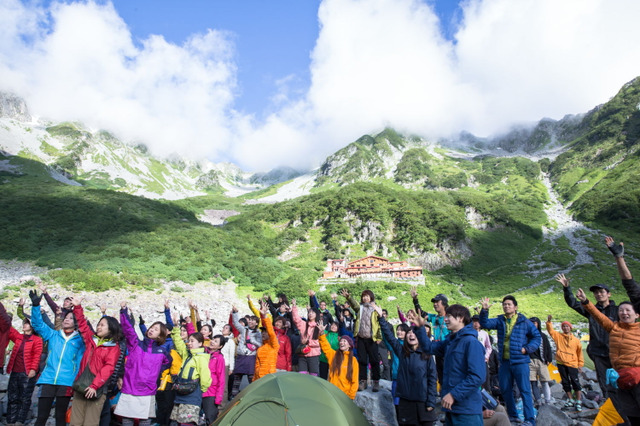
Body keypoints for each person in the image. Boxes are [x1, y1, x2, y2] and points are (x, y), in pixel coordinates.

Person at [411, 304, 485, 425]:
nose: (445, 319)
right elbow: (429, 348)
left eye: (449, 316)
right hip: (451, 408)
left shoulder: (471, 343)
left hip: (467, 410)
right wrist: (419, 328)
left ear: (460, 318)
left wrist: (454, 395)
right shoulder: (450, 341)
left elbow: (477, 377)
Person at [576, 287, 640, 425]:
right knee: (629, 411)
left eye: (628, 310)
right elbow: (598, 316)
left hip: (637, 375)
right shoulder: (613, 327)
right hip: (620, 376)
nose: (624, 313)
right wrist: (586, 301)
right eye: (621, 310)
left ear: (637, 315)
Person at [479, 295, 541, 426]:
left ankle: (530, 420)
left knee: (525, 390)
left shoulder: (524, 322)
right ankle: (513, 416)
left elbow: (536, 337)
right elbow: (484, 324)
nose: (506, 306)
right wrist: (484, 311)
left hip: (521, 361)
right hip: (505, 362)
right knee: (506, 389)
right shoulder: (500, 320)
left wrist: (527, 349)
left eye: (509, 304)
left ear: (515, 307)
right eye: (504, 304)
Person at [29, 290, 86, 426]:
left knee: (60, 417)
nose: (66, 320)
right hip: (49, 378)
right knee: (41, 416)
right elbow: (38, 325)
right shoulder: (54, 335)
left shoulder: (79, 341)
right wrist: (35, 306)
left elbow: (79, 361)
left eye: (71, 318)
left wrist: (76, 379)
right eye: (66, 318)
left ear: (76, 322)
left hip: (66, 381)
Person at [558, 272, 618, 399]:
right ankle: (609, 405)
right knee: (604, 381)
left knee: (620, 379)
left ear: (609, 294)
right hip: (598, 352)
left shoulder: (617, 310)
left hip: (616, 352)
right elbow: (573, 303)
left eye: (601, 292)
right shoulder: (591, 310)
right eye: (596, 293)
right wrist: (567, 288)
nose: (599, 294)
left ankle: (626, 408)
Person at [375, 305, 438, 426]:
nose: (411, 334)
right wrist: (381, 318)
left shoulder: (426, 354)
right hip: (406, 402)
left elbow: (432, 378)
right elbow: (389, 336)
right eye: (409, 332)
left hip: (423, 402)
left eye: (414, 332)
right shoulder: (402, 352)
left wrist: (431, 401)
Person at [115, 302, 171, 426]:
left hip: (148, 389)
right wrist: (124, 311)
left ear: (160, 335)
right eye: (152, 327)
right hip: (130, 386)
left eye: (156, 329)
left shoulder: (162, 351)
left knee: (145, 420)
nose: (151, 330)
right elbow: (128, 330)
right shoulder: (136, 344)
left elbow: (168, 363)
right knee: (127, 419)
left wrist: (156, 373)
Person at [69, 297, 123, 426]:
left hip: (97, 389)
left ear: (111, 329)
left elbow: (108, 368)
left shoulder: (114, 348)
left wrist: (94, 386)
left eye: (102, 325)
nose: (98, 327)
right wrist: (77, 307)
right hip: (82, 384)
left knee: (90, 422)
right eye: (98, 324)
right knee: (75, 421)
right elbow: (82, 325)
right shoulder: (91, 340)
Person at [0, 300, 43, 426]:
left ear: (32, 326)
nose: (24, 325)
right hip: (15, 371)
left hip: (27, 372)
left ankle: (20, 420)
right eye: (24, 323)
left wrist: (33, 369)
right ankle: (10, 420)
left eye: (26, 323)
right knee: (12, 396)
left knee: (24, 397)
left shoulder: (37, 340)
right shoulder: (18, 336)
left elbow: (37, 355)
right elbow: (6, 326)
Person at [169, 327, 212, 426]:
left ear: (200, 343)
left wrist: (202, 389)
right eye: (189, 341)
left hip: (192, 396)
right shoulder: (187, 355)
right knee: (176, 421)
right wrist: (175, 328)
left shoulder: (201, 358)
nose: (189, 343)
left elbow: (206, 377)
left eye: (192, 341)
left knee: (187, 422)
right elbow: (179, 344)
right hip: (180, 393)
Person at [343, 289, 382, 391]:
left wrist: (379, 337)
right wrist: (348, 297)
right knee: (362, 360)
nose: (365, 298)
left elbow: (379, 324)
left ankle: (376, 382)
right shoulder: (360, 308)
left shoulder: (375, 309)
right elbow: (354, 305)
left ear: (371, 297)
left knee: (374, 360)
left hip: (372, 339)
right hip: (360, 338)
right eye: (364, 296)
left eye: (367, 296)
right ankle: (363, 381)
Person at [411, 287, 449, 386]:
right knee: (440, 375)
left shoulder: (450, 317)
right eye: (434, 302)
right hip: (437, 349)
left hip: (448, 349)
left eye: (437, 302)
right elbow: (421, 313)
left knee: (449, 374)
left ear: (444, 303)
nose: (435, 304)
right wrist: (415, 300)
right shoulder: (434, 317)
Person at [546, 315, 584, 411]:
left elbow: (580, 353)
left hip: (572, 363)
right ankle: (570, 399)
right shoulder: (559, 336)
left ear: (570, 328)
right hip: (561, 362)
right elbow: (551, 331)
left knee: (575, 381)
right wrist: (549, 322)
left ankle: (579, 401)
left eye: (567, 326)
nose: (565, 328)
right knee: (565, 381)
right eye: (563, 326)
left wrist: (580, 365)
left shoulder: (576, 340)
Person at [317, 321, 359, 400]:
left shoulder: (353, 360)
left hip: (345, 395)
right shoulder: (334, 355)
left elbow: (355, 381)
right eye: (341, 341)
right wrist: (322, 334)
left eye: (344, 341)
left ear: (349, 345)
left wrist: (351, 396)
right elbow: (326, 346)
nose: (341, 342)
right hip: (332, 393)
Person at [230, 305, 262, 398]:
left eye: (253, 320)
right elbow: (235, 323)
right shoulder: (244, 330)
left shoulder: (258, 333)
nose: (251, 321)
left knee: (251, 378)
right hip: (241, 356)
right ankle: (234, 396)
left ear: (256, 323)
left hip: (251, 357)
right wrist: (235, 313)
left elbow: (260, 344)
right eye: (250, 320)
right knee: (237, 378)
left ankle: (253, 396)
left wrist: (251, 341)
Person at [291, 298, 322, 376]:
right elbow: (296, 319)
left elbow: (320, 342)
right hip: (302, 354)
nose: (310, 314)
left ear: (316, 315)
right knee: (302, 375)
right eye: (309, 312)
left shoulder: (319, 327)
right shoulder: (304, 324)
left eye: (312, 313)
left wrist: (308, 342)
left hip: (313, 355)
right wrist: (294, 306)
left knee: (313, 376)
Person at [528, 317, 553, 407]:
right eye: (531, 323)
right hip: (530, 361)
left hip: (542, 360)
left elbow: (547, 347)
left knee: (544, 381)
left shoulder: (542, 335)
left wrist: (548, 359)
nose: (533, 325)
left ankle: (547, 400)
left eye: (535, 323)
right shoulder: (526, 335)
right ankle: (538, 400)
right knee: (533, 381)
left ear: (538, 324)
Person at [202, 334, 226, 424]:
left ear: (220, 346)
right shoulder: (204, 352)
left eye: (216, 341)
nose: (212, 342)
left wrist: (219, 397)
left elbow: (221, 379)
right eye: (213, 339)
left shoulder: (219, 358)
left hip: (211, 392)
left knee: (210, 417)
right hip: (199, 389)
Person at [253, 301, 280, 381]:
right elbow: (257, 366)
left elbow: (271, 332)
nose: (263, 334)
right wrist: (254, 380)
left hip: (269, 379)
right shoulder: (260, 348)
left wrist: (265, 316)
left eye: (265, 332)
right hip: (259, 379)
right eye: (262, 332)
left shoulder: (274, 346)